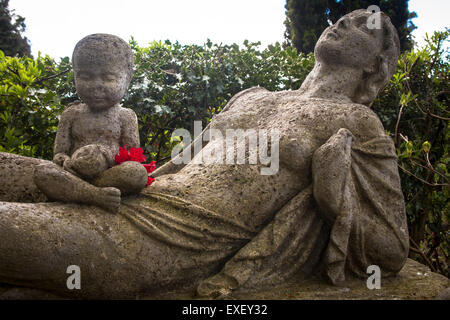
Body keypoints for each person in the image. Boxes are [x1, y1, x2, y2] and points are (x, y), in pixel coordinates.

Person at [0, 10, 408, 299]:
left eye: (362, 26)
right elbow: (176, 164)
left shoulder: (355, 122)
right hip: (136, 197)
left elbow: (390, 250)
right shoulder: (253, 96)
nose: (341, 22)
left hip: (171, 242)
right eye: (343, 17)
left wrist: (332, 198)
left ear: (375, 65)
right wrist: (112, 172)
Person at [33, 34, 149, 213]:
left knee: (136, 172)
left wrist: (105, 156)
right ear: (75, 76)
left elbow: (132, 154)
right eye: (86, 77)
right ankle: (95, 195)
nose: (96, 85)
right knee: (43, 172)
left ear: (127, 79)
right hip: (73, 173)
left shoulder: (125, 116)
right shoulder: (71, 114)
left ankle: (85, 189)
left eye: (109, 78)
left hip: (108, 175)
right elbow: (59, 153)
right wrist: (68, 161)